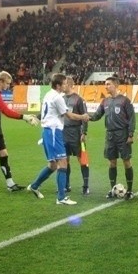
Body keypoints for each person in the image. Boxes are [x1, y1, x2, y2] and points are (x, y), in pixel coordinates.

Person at [27, 73, 89, 205]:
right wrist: (83, 117)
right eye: (64, 83)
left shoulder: (49, 95)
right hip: (55, 132)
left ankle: (34, 185)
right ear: (58, 85)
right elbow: (69, 115)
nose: (66, 85)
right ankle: (61, 198)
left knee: (53, 165)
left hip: (48, 132)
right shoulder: (57, 98)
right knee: (63, 163)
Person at [89, 75, 136, 199]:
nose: (106, 86)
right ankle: (113, 189)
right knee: (112, 162)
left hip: (123, 134)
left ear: (116, 85)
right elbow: (97, 116)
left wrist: (130, 134)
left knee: (126, 161)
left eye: (108, 84)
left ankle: (130, 190)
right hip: (110, 135)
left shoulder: (125, 100)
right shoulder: (105, 101)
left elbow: (132, 118)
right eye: (105, 84)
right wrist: (86, 117)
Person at [63, 76, 90, 195]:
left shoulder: (79, 99)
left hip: (76, 132)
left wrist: (84, 132)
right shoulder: (61, 98)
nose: (61, 86)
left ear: (69, 84)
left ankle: (85, 186)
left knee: (82, 159)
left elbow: (85, 117)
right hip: (64, 133)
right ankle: (66, 185)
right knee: (65, 160)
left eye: (63, 84)